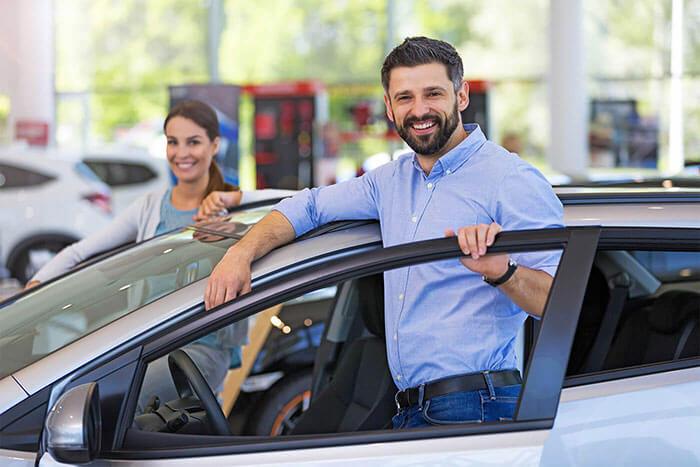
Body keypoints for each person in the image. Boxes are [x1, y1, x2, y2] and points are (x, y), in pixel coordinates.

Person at [205, 37, 563, 429]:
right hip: (408, 408)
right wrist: (239, 254)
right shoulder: (388, 182)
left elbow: (558, 302)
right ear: (389, 108)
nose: (420, 110)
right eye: (405, 98)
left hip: (478, 407)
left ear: (461, 96)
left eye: (433, 94)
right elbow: (307, 206)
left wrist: (502, 270)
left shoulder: (510, 179)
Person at [26, 99, 281, 409]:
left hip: (202, 351)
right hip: (146, 345)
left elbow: (300, 201)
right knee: (72, 387)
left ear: (214, 146)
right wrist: (34, 289)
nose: (181, 153)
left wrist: (238, 196)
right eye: (173, 142)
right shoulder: (150, 207)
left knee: (103, 402)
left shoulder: (234, 207)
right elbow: (80, 252)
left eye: (193, 142)